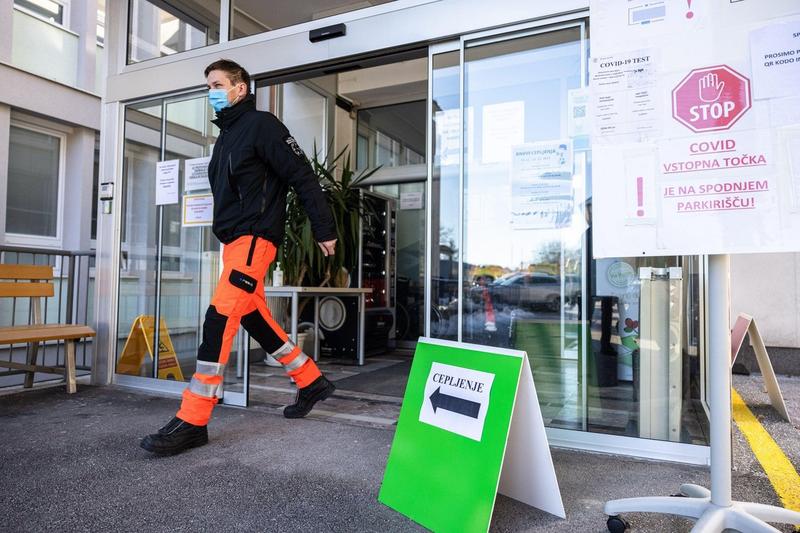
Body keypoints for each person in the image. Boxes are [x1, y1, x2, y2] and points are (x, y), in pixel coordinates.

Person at [141, 59, 338, 455]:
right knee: (254, 317)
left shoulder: (263, 127)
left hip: (254, 239)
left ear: (240, 88)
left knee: (218, 320)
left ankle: (193, 418)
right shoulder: (226, 137)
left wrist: (324, 228)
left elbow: (302, 175)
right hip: (233, 244)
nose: (211, 91)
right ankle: (311, 380)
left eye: (217, 84)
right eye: (208, 85)